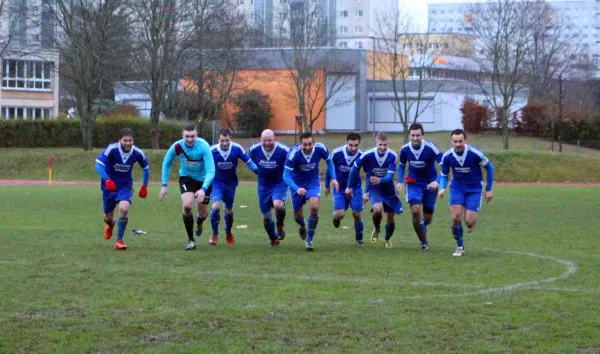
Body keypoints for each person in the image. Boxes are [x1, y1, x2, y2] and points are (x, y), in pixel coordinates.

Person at [438, 129, 494, 257]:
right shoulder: (447, 156)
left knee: (468, 221)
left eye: (460, 141)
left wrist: (489, 189)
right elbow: (444, 174)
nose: (458, 144)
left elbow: (489, 167)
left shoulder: (475, 154)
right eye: (455, 141)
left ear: (465, 140)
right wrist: (442, 187)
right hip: (457, 188)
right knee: (455, 216)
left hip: (474, 189)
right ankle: (460, 246)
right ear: (451, 141)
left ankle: (471, 223)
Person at [159, 123, 215, 251]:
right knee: (187, 206)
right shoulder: (177, 146)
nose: (190, 139)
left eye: (192, 136)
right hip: (187, 177)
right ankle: (191, 240)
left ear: (196, 135)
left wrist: (203, 189)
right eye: (187, 136)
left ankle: (199, 222)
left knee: (202, 213)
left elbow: (211, 170)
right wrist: (164, 185)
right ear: (182, 135)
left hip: (204, 180)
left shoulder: (204, 146)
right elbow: (167, 163)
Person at [95, 128, 150, 250]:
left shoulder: (137, 153)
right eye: (125, 140)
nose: (128, 143)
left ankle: (119, 241)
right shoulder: (112, 149)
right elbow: (98, 165)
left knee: (124, 209)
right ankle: (110, 224)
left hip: (125, 186)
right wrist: (107, 179)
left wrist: (144, 186)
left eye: (130, 140)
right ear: (120, 140)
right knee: (107, 217)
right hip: (109, 186)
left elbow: (146, 168)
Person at [283, 132, 339, 251]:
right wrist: (297, 188)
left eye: (310, 144)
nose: (308, 147)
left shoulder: (320, 148)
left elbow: (329, 161)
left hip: (312, 181)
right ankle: (302, 225)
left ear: (313, 143)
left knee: (314, 207)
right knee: (297, 215)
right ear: (300, 143)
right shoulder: (293, 153)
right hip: (296, 183)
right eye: (305, 144)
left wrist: (333, 178)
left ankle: (309, 240)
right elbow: (286, 176)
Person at [349, 132, 402, 248]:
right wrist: (350, 187)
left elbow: (389, 177)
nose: (382, 147)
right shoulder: (367, 155)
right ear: (376, 143)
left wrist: (380, 180)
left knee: (391, 219)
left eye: (385, 145)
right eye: (380, 144)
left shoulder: (392, 156)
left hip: (388, 188)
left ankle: (387, 239)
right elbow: (354, 170)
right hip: (374, 188)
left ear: (389, 143)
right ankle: (377, 228)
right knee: (377, 209)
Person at [397, 123, 443, 252]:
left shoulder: (431, 148)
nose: (415, 138)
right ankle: (424, 242)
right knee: (416, 211)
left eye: (418, 135)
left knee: (426, 219)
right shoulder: (405, 149)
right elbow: (401, 166)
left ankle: (421, 224)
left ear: (422, 135)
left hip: (430, 185)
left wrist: (437, 181)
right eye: (413, 135)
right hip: (413, 184)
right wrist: (400, 181)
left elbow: (445, 166)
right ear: (409, 135)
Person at [209, 129, 258, 246]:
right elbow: (204, 164)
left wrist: (258, 171)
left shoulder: (237, 148)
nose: (225, 143)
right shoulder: (212, 150)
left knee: (228, 210)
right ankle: (214, 234)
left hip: (231, 183)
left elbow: (248, 161)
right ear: (218, 140)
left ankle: (228, 232)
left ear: (230, 138)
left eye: (227, 140)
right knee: (215, 207)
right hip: (217, 182)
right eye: (222, 141)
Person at [248, 129, 290, 247]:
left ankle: (280, 224)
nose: (267, 143)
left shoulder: (283, 150)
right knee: (266, 217)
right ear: (260, 140)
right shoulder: (254, 149)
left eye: (270, 141)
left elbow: (293, 162)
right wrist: (254, 169)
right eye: (264, 141)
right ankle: (273, 239)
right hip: (263, 185)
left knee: (278, 205)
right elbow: (246, 158)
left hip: (279, 182)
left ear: (274, 139)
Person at [326, 133, 365, 246]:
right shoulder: (337, 153)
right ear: (347, 143)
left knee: (357, 214)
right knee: (340, 214)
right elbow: (330, 168)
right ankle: (336, 218)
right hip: (339, 187)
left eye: (356, 145)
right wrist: (327, 185)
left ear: (359, 144)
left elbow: (368, 171)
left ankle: (359, 238)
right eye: (351, 145)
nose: (353, 148)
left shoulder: (362, 155)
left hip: (355, 187)